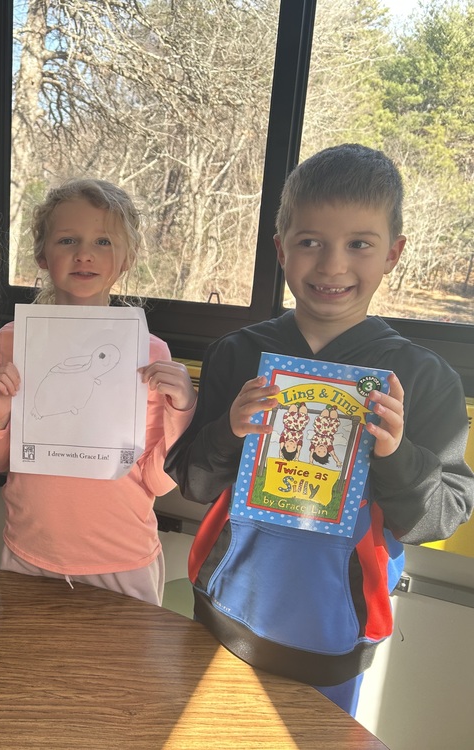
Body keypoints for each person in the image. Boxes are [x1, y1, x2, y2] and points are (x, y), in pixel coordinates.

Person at [165, 143, 474, 715]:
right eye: (311, 242)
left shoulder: (423, 378)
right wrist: (228, 432)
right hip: (224, 609)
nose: (332, 265)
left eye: (359, 243)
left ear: (394, 253)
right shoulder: (237, 354)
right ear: (281, 249)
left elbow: (442, 515)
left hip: (338, 629)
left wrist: (396, 454)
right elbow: (192, 479)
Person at [0, 178, 197, 605]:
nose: (84, 254)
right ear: (43, 254)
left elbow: (157, 478)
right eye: (67, 240)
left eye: (103, 241)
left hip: (122, 557)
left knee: (118, 673)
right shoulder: (10, 341)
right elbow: (1, 461)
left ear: (127, 258)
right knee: (27, 669)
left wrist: (182, 408)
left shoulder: (150, 352)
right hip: (30, 550)